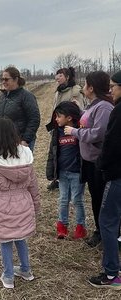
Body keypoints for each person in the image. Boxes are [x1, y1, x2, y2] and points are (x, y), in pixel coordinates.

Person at [0, 118, 40, 289]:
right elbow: (33, 185)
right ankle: (26, 270)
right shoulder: (26, 156)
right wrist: (35, 206)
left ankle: (9, 276)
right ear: (14, 134)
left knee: (5, 240)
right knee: (20, 237)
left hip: (1, 205)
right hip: (24, 202)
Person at [64, 71, 114, 247]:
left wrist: (74, 132)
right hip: (89, 161)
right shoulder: (95, 105)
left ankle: (106, 234)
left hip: (97, 162)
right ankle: (100, 232)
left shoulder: (104, 107)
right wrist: (80, 110)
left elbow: (98, 133)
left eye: (85, 84)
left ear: (91, 87)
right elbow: (90, 121)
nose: (83, 87)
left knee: (101, 199)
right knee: (95, 197)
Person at [88, 70, 121, 289]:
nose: (110, 90)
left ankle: (112, 275)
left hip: (117, 175)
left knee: (107, 221)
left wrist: (101, 166)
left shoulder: (117, 111)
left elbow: (110, 144)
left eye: (114, 86)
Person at [46, 101, 86, 239]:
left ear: (69, 117)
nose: (56, 119)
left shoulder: (80, 130)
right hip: (63, 172)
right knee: (63, 199)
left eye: (58, 116)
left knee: (77, 200)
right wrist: (51, 171)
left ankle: (81, 227)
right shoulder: (58, 132)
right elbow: (52, 152)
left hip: (77, 172)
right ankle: (62, 226)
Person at [47, 67, 85, 191]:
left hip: (69, 128)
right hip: (58, 125)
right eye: (56, 75)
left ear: (67, 77)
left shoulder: (75, 90)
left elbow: (78, 110)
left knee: (69, 152)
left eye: (60, 75)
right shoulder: (58, 91)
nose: (57, 78)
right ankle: (57, 178)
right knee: (55, 151)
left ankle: (74, 177)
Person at [0, 66, 40, 152]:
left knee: (20, 165)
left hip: (20, 141)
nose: (3, 82)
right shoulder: (2, 97)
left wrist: (25, 140)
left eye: (6, 79)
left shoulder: (26, 96)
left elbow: (34, 119)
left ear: (15, 80)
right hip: (3, 141)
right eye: (2, 79)